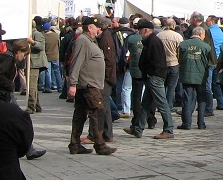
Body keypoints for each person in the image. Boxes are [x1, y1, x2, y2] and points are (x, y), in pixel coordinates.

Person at [67, 16, 116, 155]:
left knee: (81, 115)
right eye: (97, 27)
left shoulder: (90, 41)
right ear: (90, 28)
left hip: (89, 85)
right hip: (89, 85)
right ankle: (100, 145)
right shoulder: (83, 41)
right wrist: (72, 84)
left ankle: (75, 144)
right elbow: (76, 63)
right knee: (97, 113)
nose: (99, 29)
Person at [124, 19, 174, 139]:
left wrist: (150, 74)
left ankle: (169, 129)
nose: (138, 32)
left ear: (146, 30)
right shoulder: (150, 41)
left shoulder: (153, 41)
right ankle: (138, 128)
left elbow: (156, 62)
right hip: (152, 76)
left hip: (154, 77)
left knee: (162, 103)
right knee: (145, 104)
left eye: (140, 30)